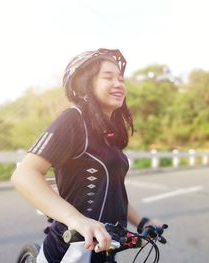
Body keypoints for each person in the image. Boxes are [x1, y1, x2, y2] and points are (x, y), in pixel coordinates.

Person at [11, 48, 161, 262]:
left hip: (106, 247)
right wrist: (76, 220)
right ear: (86, 83)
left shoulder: (109, 135)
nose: (119, 84)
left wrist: (142, 221)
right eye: (108, 77)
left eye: (121, 78)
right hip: (73, 249)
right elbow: (24, 174)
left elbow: (113, 194)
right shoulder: (74, 119)